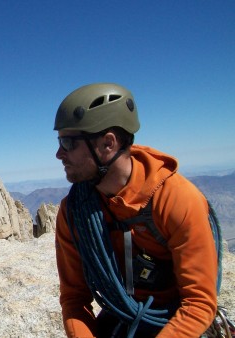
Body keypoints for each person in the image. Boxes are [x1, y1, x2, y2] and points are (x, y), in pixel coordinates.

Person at [53, 83, 217, 337]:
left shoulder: (175, 199)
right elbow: (74, 299)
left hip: (176, 321)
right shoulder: (74, 211)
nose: (58, 154)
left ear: (108, 143)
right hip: (119, 316)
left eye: (68, 143)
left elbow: (198, 303)